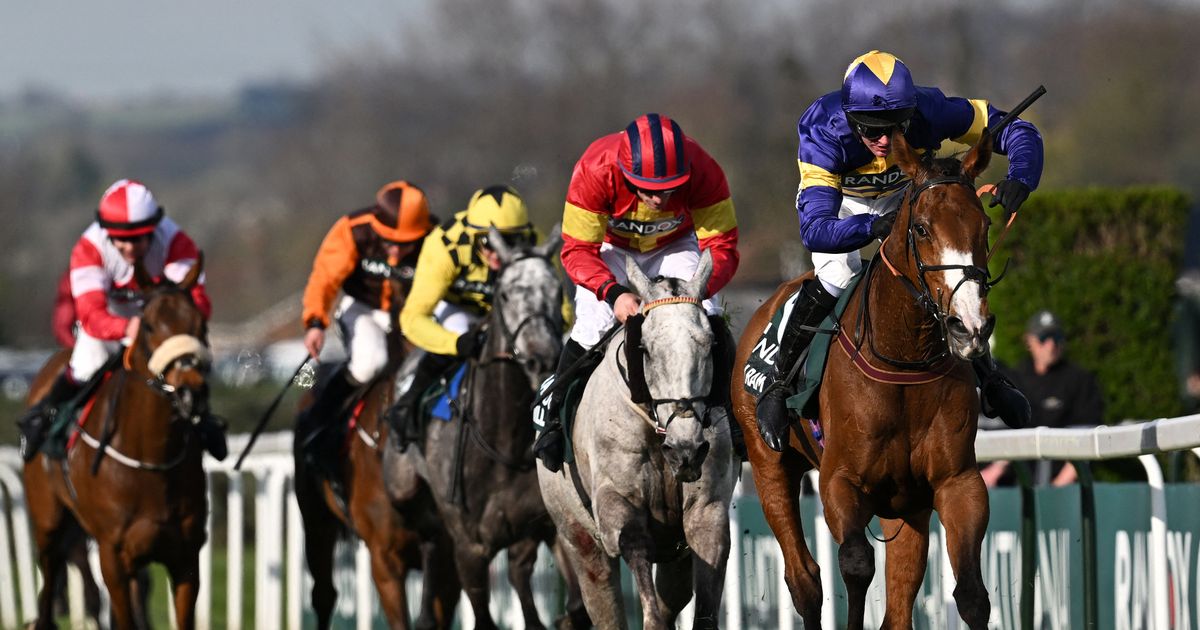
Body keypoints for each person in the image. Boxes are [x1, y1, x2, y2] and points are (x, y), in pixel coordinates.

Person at [754, 50, 1045, 452]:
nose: (886, 142)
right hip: (844, 206)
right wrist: (871, 227)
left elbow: (1019, 131)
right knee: (838, 276)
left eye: (896, 128)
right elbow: (817, 231)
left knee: (943, 275)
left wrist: (1022, 178)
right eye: (872, 130)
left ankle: (990, 378)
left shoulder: (931, 109)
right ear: (852, 119)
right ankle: (779, 384)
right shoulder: (823, 129)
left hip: (907, 196)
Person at [533, 112, 743, 472]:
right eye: (648, 189)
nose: (660, 198)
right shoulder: (595, 167)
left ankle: (735, 419)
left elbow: (722, 246)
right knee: (590, 325)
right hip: (612, 250)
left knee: (705, 315)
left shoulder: (704, 169)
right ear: (627, 176)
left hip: (673, 246)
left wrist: (696, 291)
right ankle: (555, 420)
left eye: (670, 188)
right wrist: (613, 293)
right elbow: (577, 250)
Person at [17, 179, 220, 461]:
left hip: (158, 322)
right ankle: (46, 416)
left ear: (153, 230)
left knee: (190, 363)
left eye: (138, 238)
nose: (128, 247)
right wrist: (127, 327)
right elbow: (90, 314)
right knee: (86, 366)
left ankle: (204, 420)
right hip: (109, 319)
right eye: (120, 238)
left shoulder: (175, 242)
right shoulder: (89, 249)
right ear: (106, 233)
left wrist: (174, 332)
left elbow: (196, 302)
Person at [384, 184, 540, 447]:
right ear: (474, 234)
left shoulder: (535, 244)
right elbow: (412, 319)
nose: (498, 252)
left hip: (510, 312)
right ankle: (408, 406)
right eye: (489, 242)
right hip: (460, 309)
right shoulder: (445, 245)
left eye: (510, 241)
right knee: (458, 329)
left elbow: (562, 311)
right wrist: (456, 343)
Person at [298, 180, 434, 476]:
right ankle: (320, 423)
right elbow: (324, 278)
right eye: (389, 242)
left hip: (412, 314)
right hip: (363, 308)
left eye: (405, 243)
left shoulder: (436, 236)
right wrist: (315, 322)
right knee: (370, 363)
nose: (396, 252)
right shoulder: (353, 229)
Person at [981, 310, 1104, 486]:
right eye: (1043, 337)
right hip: (1018, 485)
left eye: (1057, 337)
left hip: (1063, 488)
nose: (1051, 344)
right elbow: (1010, 434)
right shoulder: (1014, 378)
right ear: (1029, 340)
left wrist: (1056, 488)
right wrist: (995, 471)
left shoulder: (1079, 380)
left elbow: (1086, 434)